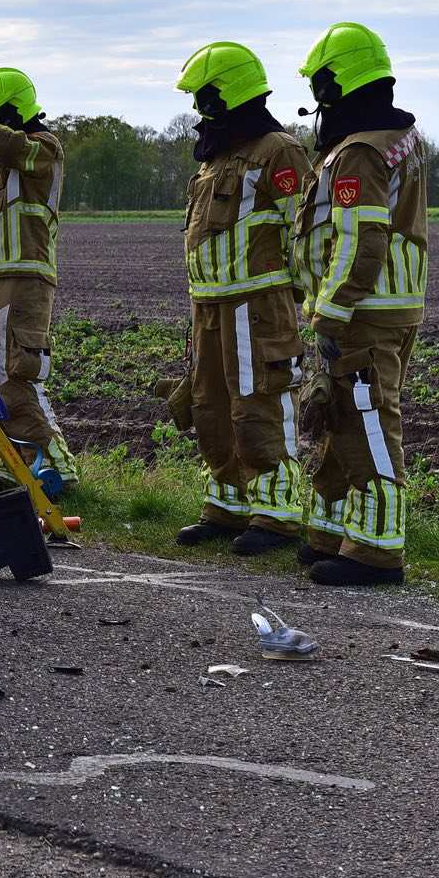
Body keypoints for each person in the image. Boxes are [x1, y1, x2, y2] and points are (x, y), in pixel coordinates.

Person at [290, 23, 429, 586]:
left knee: (366, 421)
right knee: (338, 418)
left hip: (363, 311)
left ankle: (375, 553)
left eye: (320, 86)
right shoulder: (398, 138)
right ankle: (333, 533)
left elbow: (359, 240)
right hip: (385, 305)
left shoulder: (360, 154)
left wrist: (330, 313)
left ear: (336, 84)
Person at [166, 44, 312, 555]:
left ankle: (275, 514)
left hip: (258, 304)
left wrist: (299, 295)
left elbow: (308, 229)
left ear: (227, 92)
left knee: (259, 405)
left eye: (203, 95)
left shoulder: (280, 151)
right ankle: (226, 505)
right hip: (209, 305)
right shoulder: (217, 157)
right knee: (211, 406)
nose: (198, 108)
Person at [0, 68, 80, 493]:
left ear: (8, 112)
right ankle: (14, 466)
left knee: (15, 376)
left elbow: (5, 142)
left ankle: (56, 466)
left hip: (23, 283)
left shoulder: (42, 149)